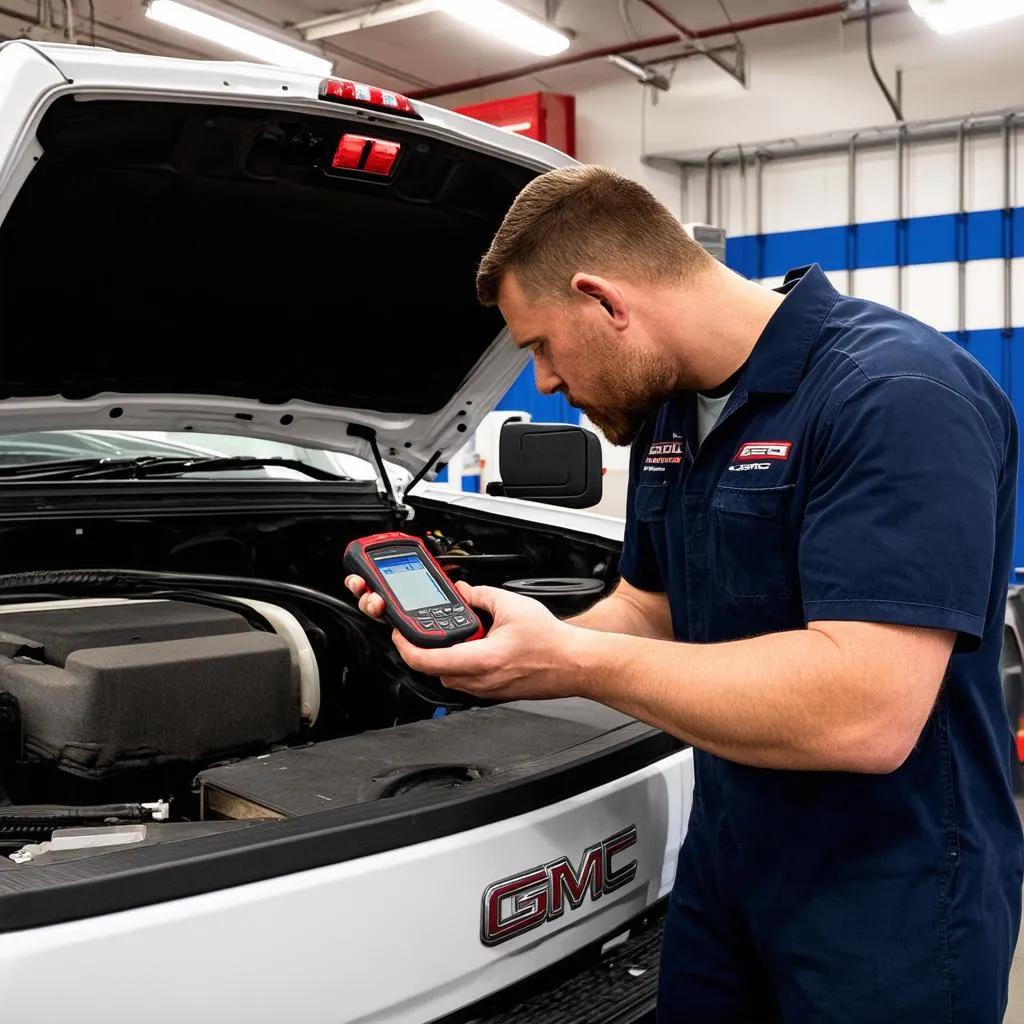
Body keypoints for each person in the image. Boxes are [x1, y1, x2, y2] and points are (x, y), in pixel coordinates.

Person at [345, 165, 1024, 1022]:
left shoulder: (894, 395)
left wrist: (575, 660)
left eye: (541, 346)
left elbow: (867, 709)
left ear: (605, 301)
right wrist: (520, 644)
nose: (544, 383)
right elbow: (650, 608)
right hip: (727, 863)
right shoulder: (673, 409)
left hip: (894, 894)